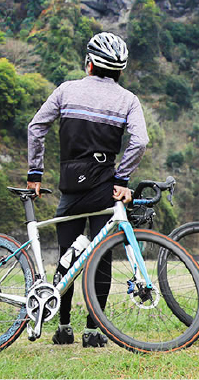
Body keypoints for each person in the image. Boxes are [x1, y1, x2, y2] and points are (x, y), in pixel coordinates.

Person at [27, 31, 149, 347]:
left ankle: (63, 327)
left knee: (67, 258)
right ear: (119, 70)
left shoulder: (66, 91)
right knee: (100, 259)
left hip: (70, 187)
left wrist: (35, 173)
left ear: (90, 64)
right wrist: (122, 179)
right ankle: (94, 331)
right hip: (103, 189)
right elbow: (140, 141)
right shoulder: (128, 100)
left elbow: (36, 127)